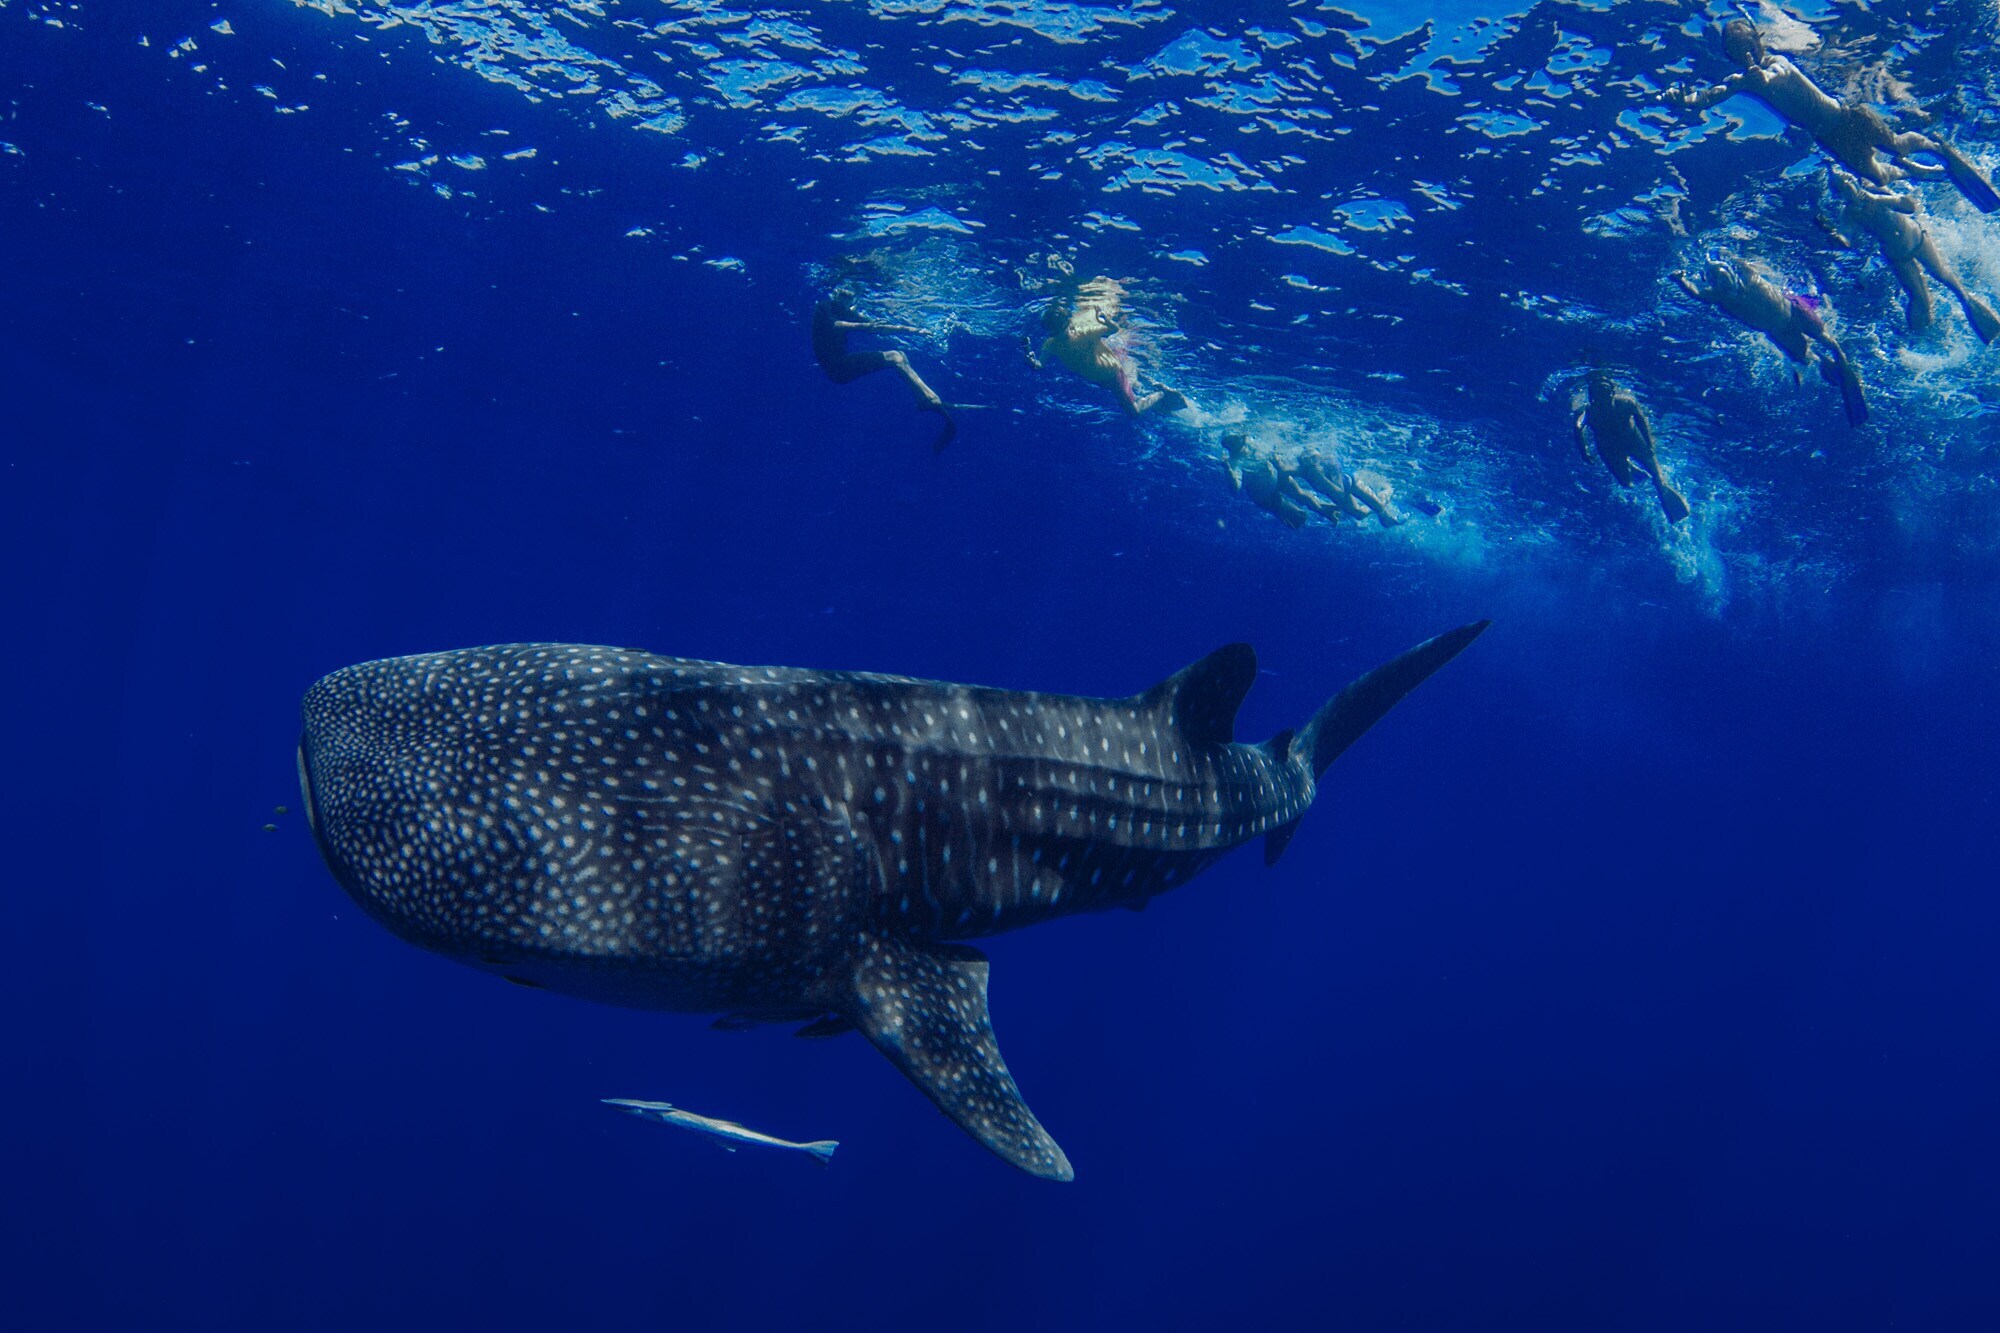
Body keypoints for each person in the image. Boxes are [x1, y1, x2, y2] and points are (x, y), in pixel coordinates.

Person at [1667, 17, 2000, 213]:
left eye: (1750, 47)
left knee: (1896, 145)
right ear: (1731, 54)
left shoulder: (1777, 63)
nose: (1747, 55)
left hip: (1849, 118)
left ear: (1759, 42)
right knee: (1878, 178)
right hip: (1829, 138)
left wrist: (1762, 78)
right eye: (1739, 51)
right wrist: (1683, 100)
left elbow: (1775, 77)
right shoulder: (1740, 81)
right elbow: (1708, 97)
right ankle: (1921, 172)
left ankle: (1934, 147)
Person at [1673, 255, 1869, 426]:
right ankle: (1828, 367)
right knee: (1804, 357)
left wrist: (1731, 255)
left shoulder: (1748, 277)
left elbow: (1742, 262)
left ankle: (1843, 363)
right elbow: (1695, 292)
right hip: (1779, 331)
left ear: (1732, 274)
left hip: (1794, 311)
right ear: (1712, 284)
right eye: (1717, 281)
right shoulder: (1717, 297)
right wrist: (1681, 280)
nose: (1724, 283)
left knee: (1828, 341)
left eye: (1725, 277)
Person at [1821, 168, 2000, 344]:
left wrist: (1877, 199)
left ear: (1856, 182)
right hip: (1897, 256)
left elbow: (1908, 206)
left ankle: (1976, 313)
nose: (1849, 190)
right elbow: (1846, 238)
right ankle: (1921, 339)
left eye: (1849, 183)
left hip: (1918, 240)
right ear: (1839, 196)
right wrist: (1837, 239)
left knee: (1945, 277)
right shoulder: (1850, 214)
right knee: (1919, 299)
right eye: (1843, 189)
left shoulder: (1875, 190)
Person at [812, 292, 955, 451]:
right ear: (836, 295)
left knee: (900, 355)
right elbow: (835, 325)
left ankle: (923, 398)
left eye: (850, 298)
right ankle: (930, 399)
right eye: (843, 295)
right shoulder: (825, 307)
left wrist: (915, 331)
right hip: (835, 367)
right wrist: (864, 326)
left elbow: (878, 327)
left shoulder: (845, 311)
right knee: (894, 357)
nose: (846, 301)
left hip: (840, 364)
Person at [1026, 276, 1188, 416]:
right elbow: (1040, 365)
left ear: (1068, 322)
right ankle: (1143, 392)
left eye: (1061, 329)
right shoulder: (1051, 343)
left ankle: (1160, 394)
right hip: (1099, 379)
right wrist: (1033, 361)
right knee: (1127, 391)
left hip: (1112, 373)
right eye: (1054, 332)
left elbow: (1114, 330)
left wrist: (1105, 320)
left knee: (1134, 412)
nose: (1060, 335)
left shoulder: (1085, 333)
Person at [1572, 370, 1692, 524]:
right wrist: (1584, 452)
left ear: (1612, 392)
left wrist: (1649, 443)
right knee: (1625, 483)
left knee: (1659, 480)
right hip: (1610, 449)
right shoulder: (1587, 411)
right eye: (1598, 394)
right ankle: (1631, 467)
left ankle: (1667, 500)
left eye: (1605, 392)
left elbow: (1641, 420)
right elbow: (1577, 427)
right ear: (1592, 397)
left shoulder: (1626, 403)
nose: (1603, 398)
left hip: (1634, 442)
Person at [1222, 434, 1341, 529]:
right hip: (1263, 493)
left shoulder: (1255, 446)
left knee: (1300, 494)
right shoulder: (1234, 463)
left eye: (1233, 439)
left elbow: (1275, 451)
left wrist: (1277, 457)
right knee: (1299, 516)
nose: (1232, 444)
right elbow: (1236, 488)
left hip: (1276, 477)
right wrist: (1229, 473)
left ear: (1243, 438)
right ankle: (1321, 512)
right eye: (1229, 442)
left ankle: (1325, 512)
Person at [1294, 448, 1403, 527]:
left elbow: (1340, 492)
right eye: (1307, 460)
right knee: (1360, 514)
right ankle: (1381, 509)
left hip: (1351, 482)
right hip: (1338, 493)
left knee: (1380, 506)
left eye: (1314, 458)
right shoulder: (1304, 471)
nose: (1312, 462)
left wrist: (1321, 478)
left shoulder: (1329, 462)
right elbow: (1287, 473)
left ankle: (1389, 490)